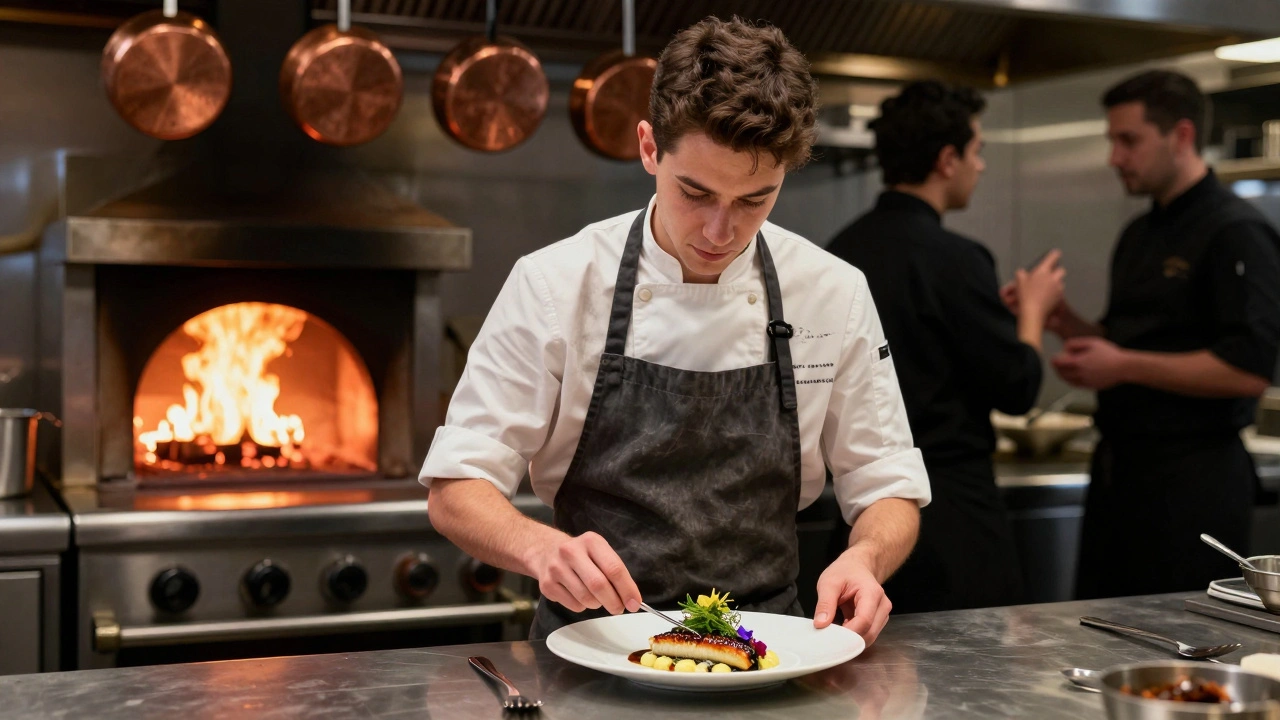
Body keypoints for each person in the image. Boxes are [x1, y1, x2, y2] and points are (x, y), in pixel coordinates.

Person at [421, 16, 930, 644]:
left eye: (754, 201)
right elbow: (455, 486)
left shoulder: (833, 291)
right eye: (695, 192)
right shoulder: (555, 283)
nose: (721, 232)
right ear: (648, 147)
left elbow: (887, 483)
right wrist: (538, 548)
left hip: (770, 649)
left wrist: (868, 557)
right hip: (593, 648)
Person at [1008, 69, 1280, 598]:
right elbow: (1126, 339)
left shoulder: (1235, 230)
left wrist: (1123, 365)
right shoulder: (1140, 232)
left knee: (1185, 651)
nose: (1114, 157)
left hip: (1193, 484)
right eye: (1112, 140)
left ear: (1180, 136)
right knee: (1100, 629)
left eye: (1127, 140)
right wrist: (1067, 324)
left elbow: (1248, 369)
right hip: (1122, 474)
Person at [827, 81, 1064, 613]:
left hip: (859, 519)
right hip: (952, 518)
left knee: (865, 682)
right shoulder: (956, 258)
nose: (980, 167)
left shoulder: (840, 251)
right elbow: (1018, 387)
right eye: (977, 153)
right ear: (947, 159)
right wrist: (1032, 313)